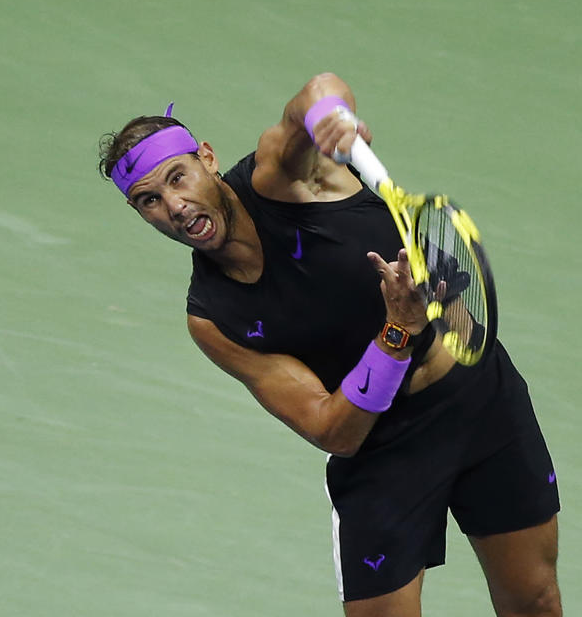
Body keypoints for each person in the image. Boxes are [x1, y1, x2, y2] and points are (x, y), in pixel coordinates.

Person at [96, 73, 561, 617]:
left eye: (178, 178)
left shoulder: (284, 176)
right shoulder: (214, 319)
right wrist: (397, 332)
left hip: (478, 405)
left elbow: (316, 92)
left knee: (534, 601)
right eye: (148, 200)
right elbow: (333, 429)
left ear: (207, 158)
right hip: (380, 452)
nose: (173, 206)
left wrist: (327, 117)